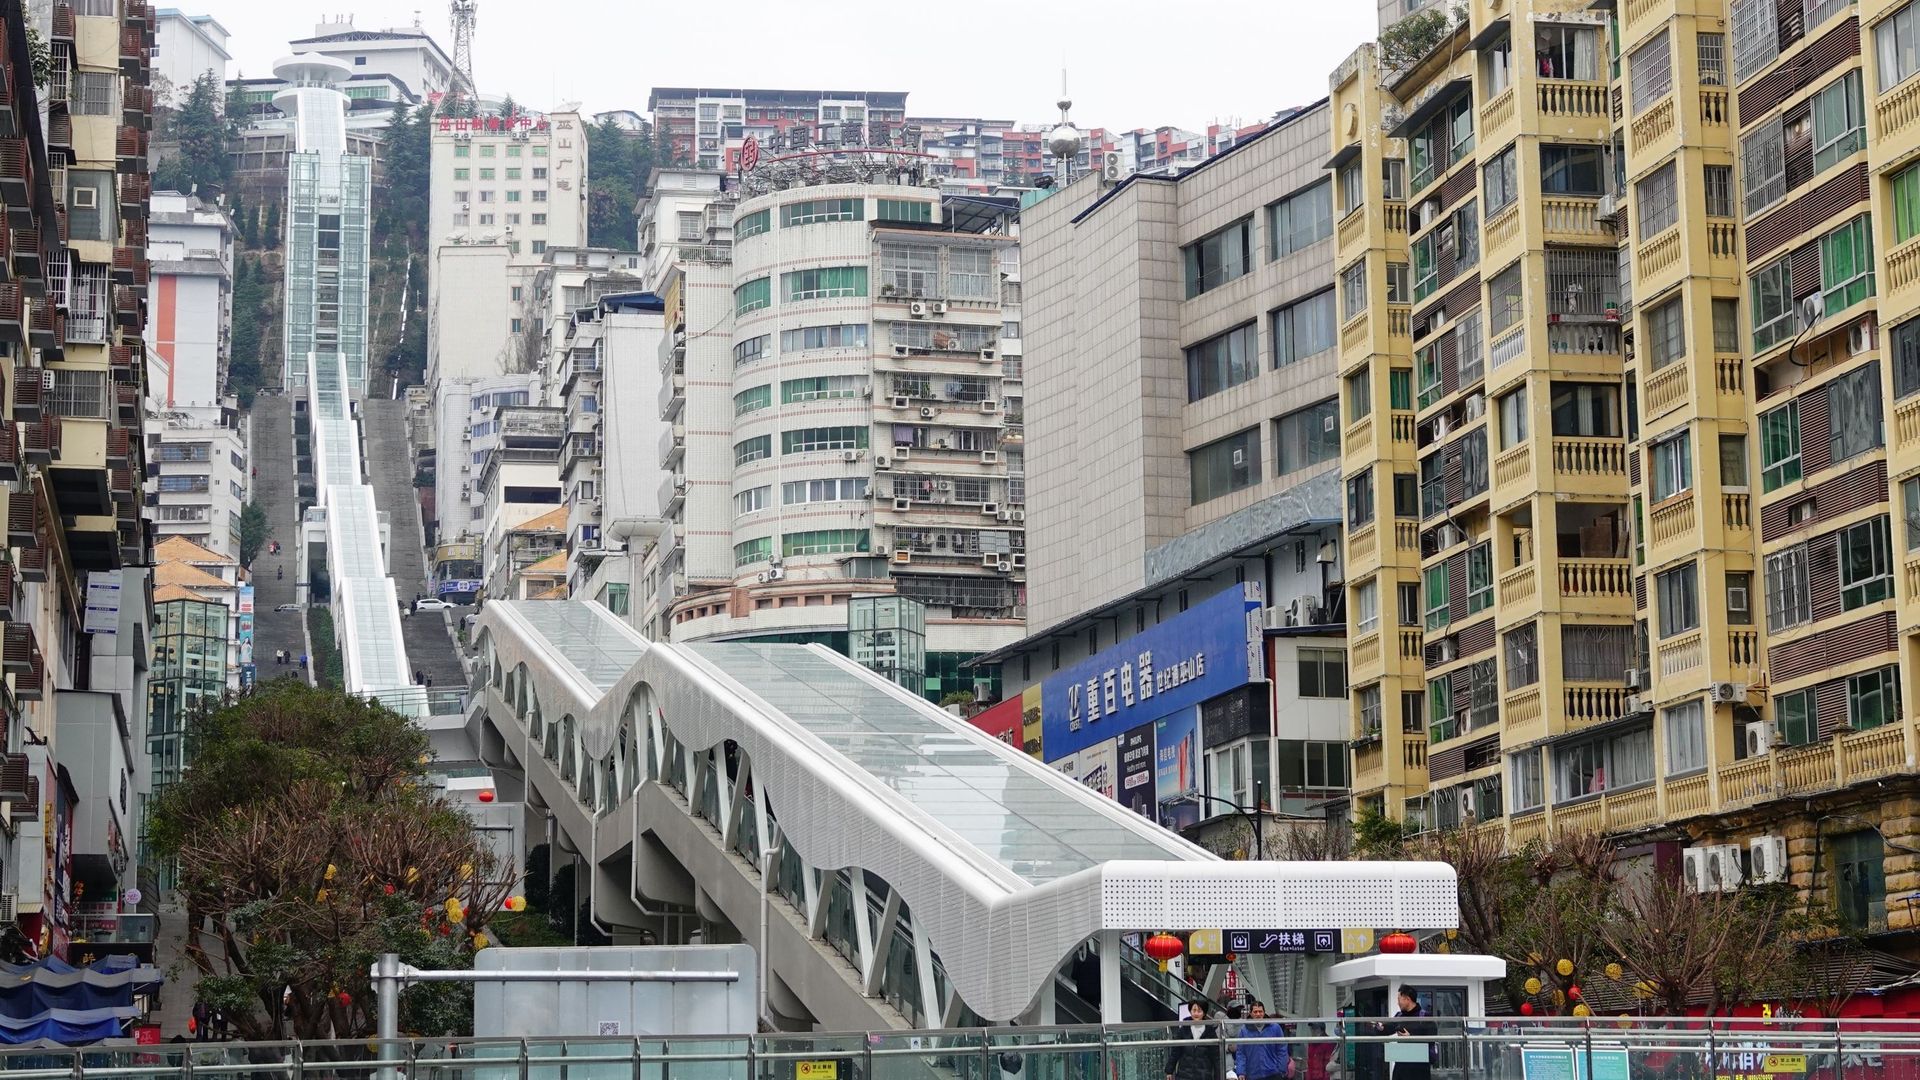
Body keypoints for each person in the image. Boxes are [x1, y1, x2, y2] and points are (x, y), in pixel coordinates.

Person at [1228, 1000, 1290, 1080]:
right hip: (1252, 1074)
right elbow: (1241, 1053)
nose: (1258, 1014)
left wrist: (1281, 1069)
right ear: (1250, 1013)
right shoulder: (1244, 1030)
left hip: (1273, 1073)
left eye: (1260, 1011)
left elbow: (1282, 1049)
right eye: (1255, 1012)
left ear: (1264, 1013)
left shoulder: (1275, 1028)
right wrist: (1241, 1072)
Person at [1165, 1000, 1225, 1080]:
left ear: (1204, 1012)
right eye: (1194, 1010)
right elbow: (1175, 1052)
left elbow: (1216, 1057)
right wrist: (1169, 1071)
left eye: (1199, 1011)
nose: (1196, 1013)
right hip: (1184, 1074)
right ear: (1190, 1011)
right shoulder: (1183, 1029)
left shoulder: (1210, 1031)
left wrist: (1219, 1076)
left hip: (1204, 1075)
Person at [1384, 990, 1433, 1080]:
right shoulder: (1399, 1016)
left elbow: (1431, 1043)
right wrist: (1381, 1027)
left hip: (1419, 1068)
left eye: (1399, 999)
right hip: (1401, 1066)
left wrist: (1411, 1037)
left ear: (1407, 999)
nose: (1398, 1003)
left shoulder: (1425, 1017)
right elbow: (1388, 1028)